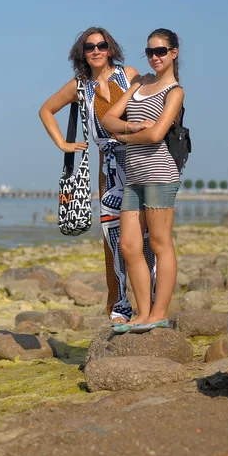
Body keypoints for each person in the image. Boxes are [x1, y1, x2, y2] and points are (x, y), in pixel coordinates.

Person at [39, 27, 156, 324]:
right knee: (112, 238)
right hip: (108, 167)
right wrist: (63, 144)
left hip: (138, 158)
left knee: (146, 235)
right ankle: (119, 306)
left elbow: (154, 98)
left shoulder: (128, 74)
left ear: (110, 49)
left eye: (101, 46)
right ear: (82, 53)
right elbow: (46, 110)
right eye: (89, 47)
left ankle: (152, 304)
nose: (96, 51)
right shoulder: (80, 86)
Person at [101, 28, 184, 333]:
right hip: (133, 176)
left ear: (173, 53)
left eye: (160, 51)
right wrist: (132, 127)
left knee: (161, 244)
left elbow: (156, 134)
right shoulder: (139, 82)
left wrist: (121, 136)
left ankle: (159, 313)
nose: (154, 57)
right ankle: (142, 312)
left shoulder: (174, 91)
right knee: (129, 245)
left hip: (160, 174)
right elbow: (108, 119)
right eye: (150, 52)